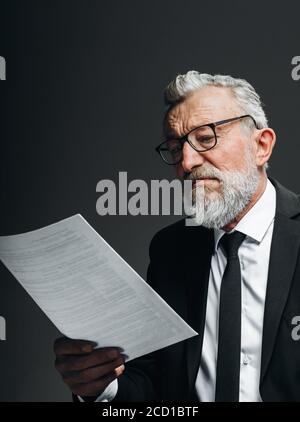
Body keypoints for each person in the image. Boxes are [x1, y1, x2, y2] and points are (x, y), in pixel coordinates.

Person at [54, 71, 300, 402]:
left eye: (206, 138)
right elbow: (155, 387)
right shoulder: (171, 250)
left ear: (261, 145)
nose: (186, 162)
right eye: (175, 147)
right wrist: (101, 387)